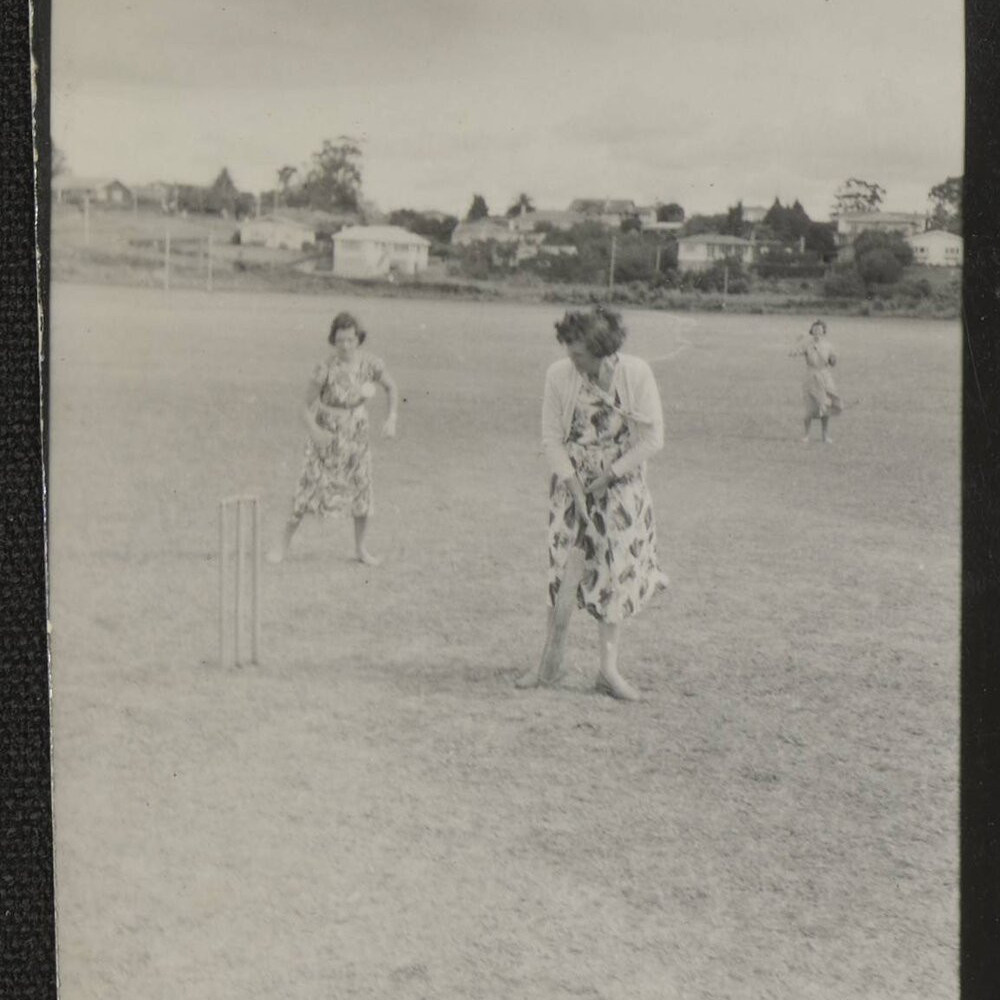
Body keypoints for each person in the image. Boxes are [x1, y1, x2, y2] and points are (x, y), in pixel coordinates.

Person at [518, 306, 668, 701]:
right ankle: (550, 663)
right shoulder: (559, 375)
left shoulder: (635, 374)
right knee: (561, 573)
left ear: (603, 350)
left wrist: (608, 477)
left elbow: (652, 439)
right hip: (571, 484)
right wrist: (575, 486)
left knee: (613, 575)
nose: (571, 359)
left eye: (579, 353)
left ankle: (607, 671)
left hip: (620, 484)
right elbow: (551, 438)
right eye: (568, 350)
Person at [269, 311, 398, 566]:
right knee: (307, 489)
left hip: (357, 435)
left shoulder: (370, 364)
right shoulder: (324, 368)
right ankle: (281, 546)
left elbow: (391, 387)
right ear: (333, 340)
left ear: (358, 339)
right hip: (326, 435)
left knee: (362, 490)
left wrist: (392, 417)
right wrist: (315, 432)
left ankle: (361, 549)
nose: (345, 346)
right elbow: (304, 407)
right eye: (340, 340)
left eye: (350, 340)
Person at [791, 318, 842, 443]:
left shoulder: (828, 345)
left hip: (825, 377)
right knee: (809, 408)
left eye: (820, 329)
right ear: (811, 331)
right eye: (815, 329)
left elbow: (833, 362)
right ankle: (806, 435)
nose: (817, 331)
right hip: (811, 377)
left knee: (825, 407)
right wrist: (798, 341)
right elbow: (792, 353)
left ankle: (825, 436)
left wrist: (833, 359)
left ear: (824, 331)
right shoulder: (806, 344)